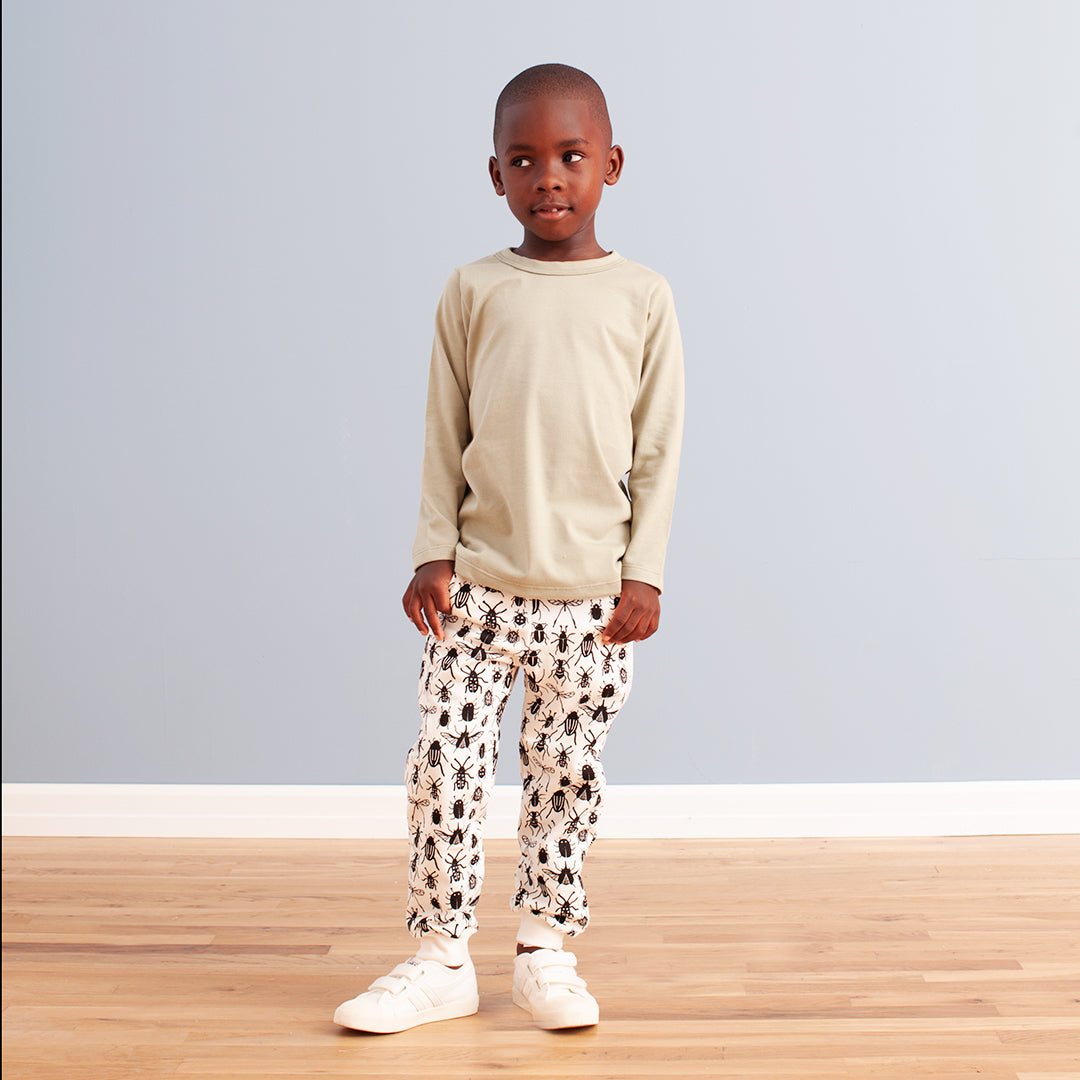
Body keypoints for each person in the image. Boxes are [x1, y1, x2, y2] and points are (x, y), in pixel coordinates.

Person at [334, 62, 684, 1034]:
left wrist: (645, 572)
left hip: (592, 603)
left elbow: (659, 448)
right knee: (444, 767)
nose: (549, 178)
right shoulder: (473, 289)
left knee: (565, 776)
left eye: (571, 156)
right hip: (478, 590)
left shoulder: (643, 297)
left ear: (612, 164)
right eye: (523, 161)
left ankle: (544, 952)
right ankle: (441, 957)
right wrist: (430, 551)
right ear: (495, 175)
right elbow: (443, 428)